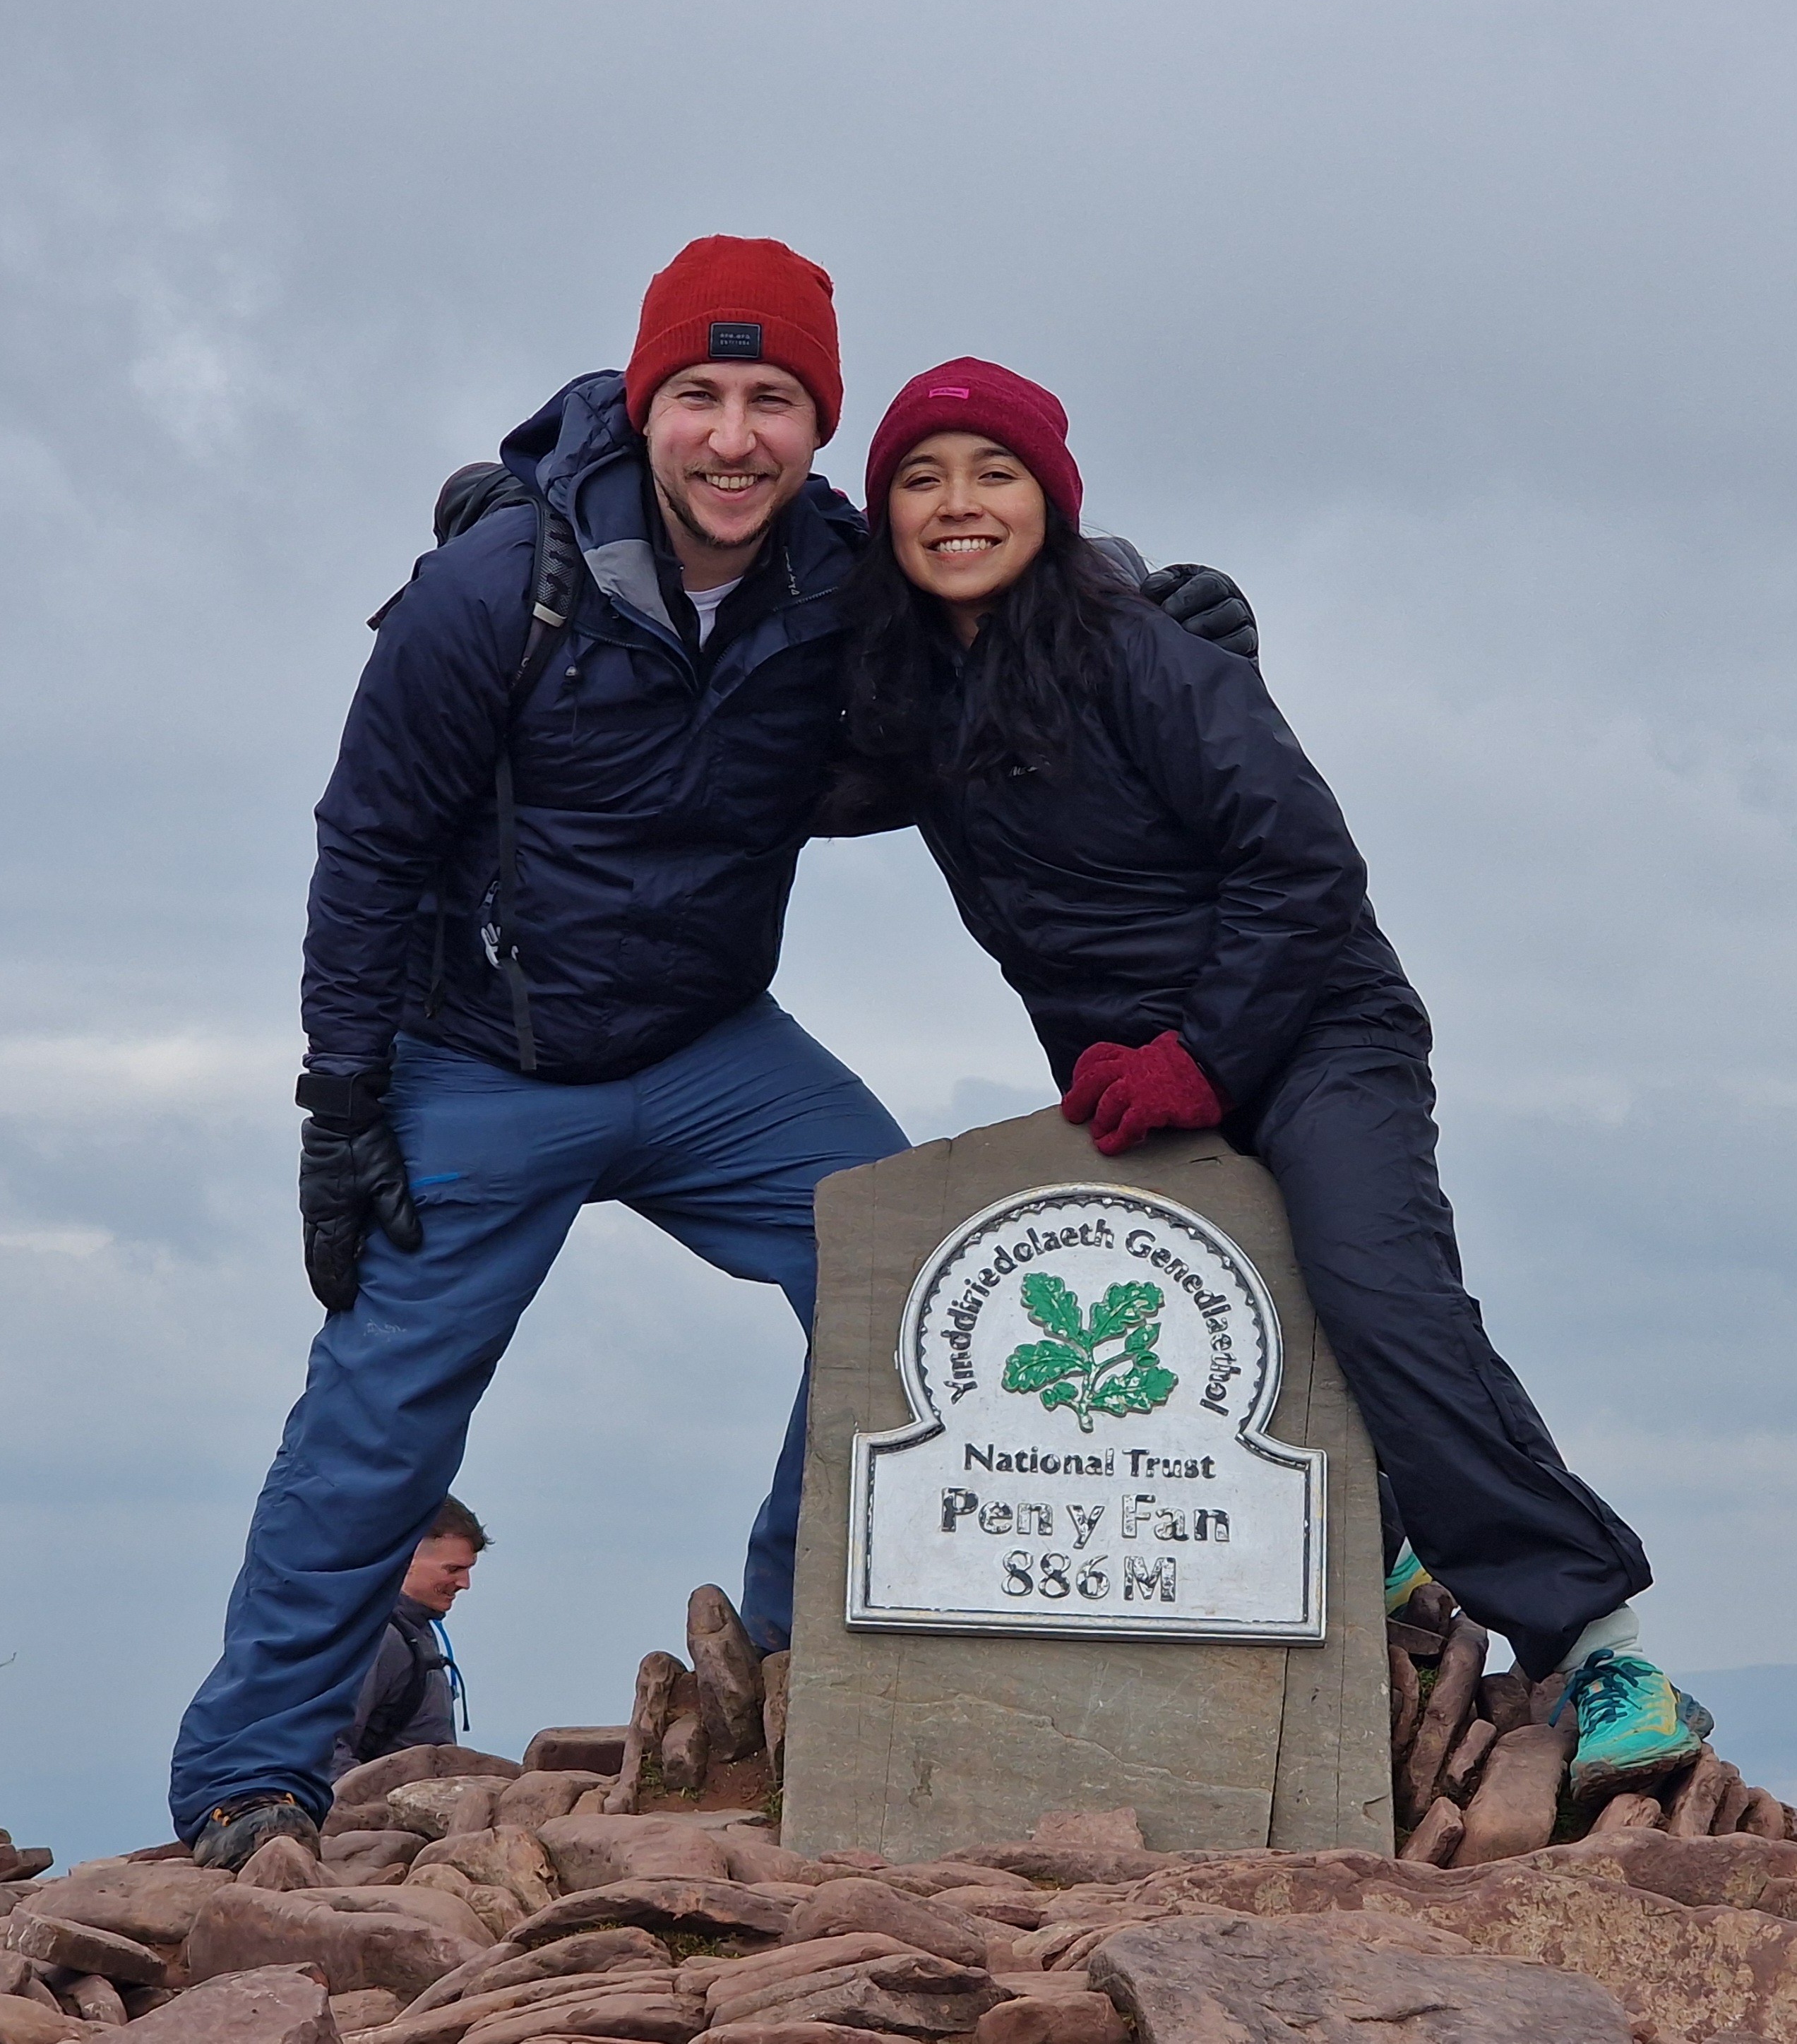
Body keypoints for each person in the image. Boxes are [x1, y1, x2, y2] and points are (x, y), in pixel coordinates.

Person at [169, 239, 1252, 1867]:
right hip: (480, 1055)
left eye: (773, 400)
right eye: (701, 395)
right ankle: (253, 1780)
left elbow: (995, 626)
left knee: (914, 1274)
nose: (733, 436)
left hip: (704, 1049)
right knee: (382, 1413)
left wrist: (1146, 625)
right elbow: (366, 846)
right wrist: (340, 1106)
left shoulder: (833, 578)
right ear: (645, 403)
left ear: (816, 423)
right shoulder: (494, 592)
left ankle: (780, 1663)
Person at [824, 356, 1704, 1805]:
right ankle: (1377, 1548)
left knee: (1378, 1293)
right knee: (1156, 1320)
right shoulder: (902, 688)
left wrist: (1204, 1058)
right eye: (920, 478)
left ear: (1050, 497)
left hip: (1308, 1030)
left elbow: (1302, 867)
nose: (958, 505)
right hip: (1141, 1075)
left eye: (994, 474)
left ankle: (1600, 1644)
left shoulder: (1139, 650)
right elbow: (722, 753)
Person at [330, 1496, 484, 1778]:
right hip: (382, 1817)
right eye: (453, 1570)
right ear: (406, 1558)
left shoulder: (417, 1632)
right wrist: (367, 1811)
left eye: (469, 1570)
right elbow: (328, 1747)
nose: (465, 1584)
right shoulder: (381, 1639)